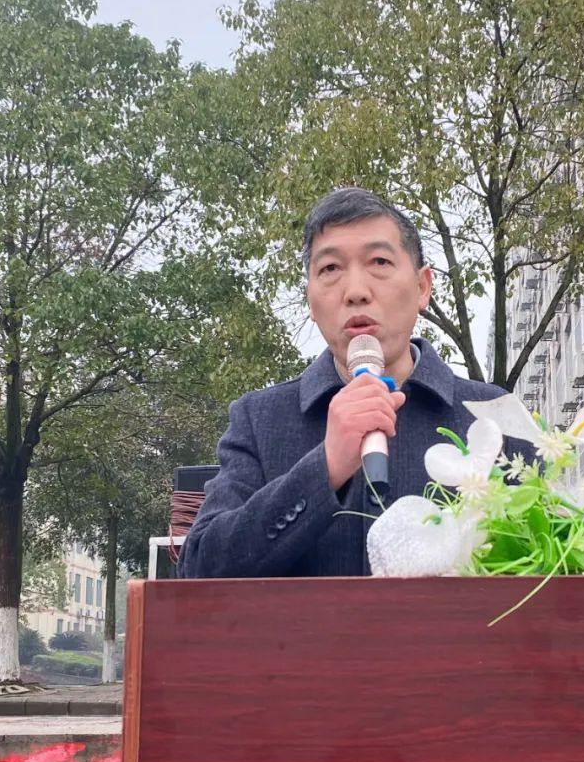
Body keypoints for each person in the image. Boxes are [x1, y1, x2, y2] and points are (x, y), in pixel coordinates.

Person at [180, 187, 529, 578]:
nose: (356, 292)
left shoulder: (495, 417)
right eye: (330, 269)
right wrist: (324, 469)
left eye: (379, 261)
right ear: (310, 300)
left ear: (422, 287)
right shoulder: (259, 421)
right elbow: (200, 568)